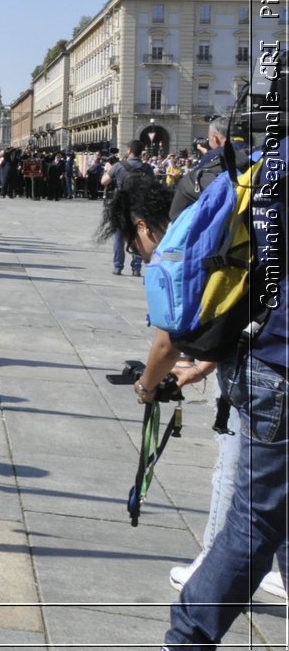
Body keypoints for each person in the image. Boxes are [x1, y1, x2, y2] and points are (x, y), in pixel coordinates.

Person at [99, 161, 288, 650]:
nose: (143, 256)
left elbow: (170, 338)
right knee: (261, 516)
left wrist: (152, 384)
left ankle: (187, 637)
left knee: (263, 516)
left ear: (140, 226)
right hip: (273, 365)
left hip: (265, 361)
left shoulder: (232, 186)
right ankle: (188, 636)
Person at [102, 140, 151, 276]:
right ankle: (136, 268)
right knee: (139, 237)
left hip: (121, 205)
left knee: (118, 237)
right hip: (139, 206)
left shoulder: (119, 166)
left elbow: (104, 182)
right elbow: (152, 186)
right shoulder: (147, 168)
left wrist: (107, 170)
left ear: (129, 150)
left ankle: (118, 266)